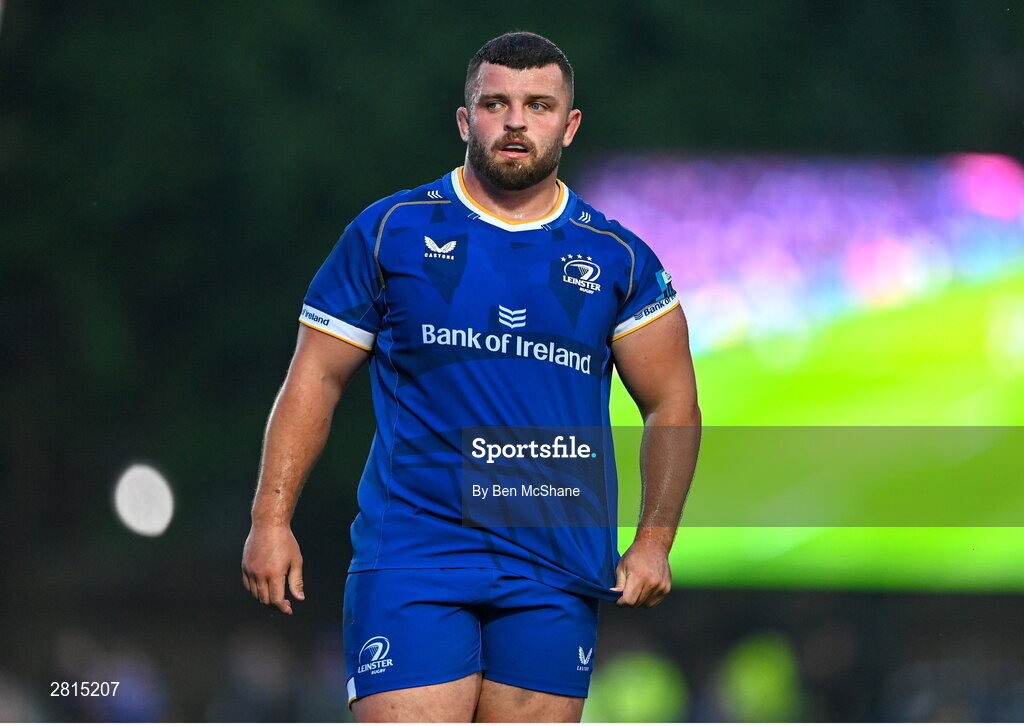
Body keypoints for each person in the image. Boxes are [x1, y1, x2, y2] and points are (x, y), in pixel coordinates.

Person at [242, 31, 701, 723]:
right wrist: (269, 520)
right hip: (412, 557)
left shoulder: (619, 258)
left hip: (556, 568)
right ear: (466, 119)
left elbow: (673, 403)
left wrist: (655, 541)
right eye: (497, 103)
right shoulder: (389, 230)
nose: (516, 120)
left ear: (569, 125)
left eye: (539, 105)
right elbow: (315, 377)